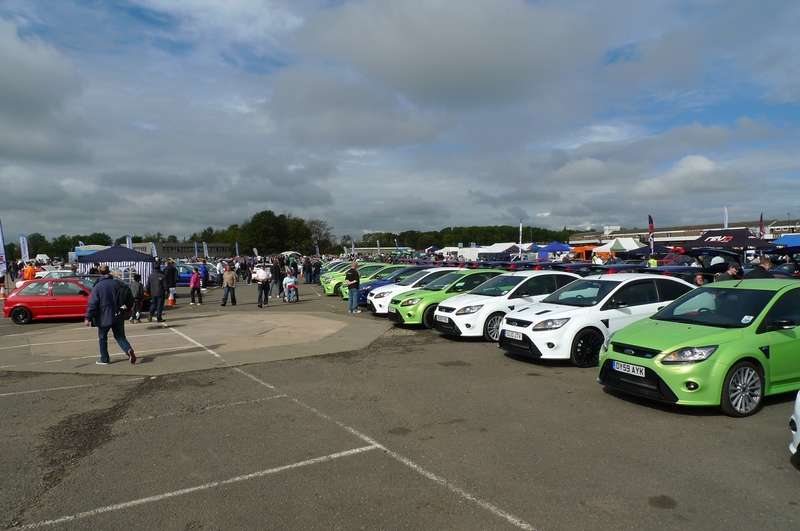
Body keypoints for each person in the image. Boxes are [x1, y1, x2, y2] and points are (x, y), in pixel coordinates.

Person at [85, 265, 136, 365]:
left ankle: (104, 358)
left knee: (103, 338)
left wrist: (88, 317)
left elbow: (93, 303)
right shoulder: (117, 283)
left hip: (104, 316)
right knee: (120, 336)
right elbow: (128, 296)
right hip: (118, 314)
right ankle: (129, 350)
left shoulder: (98, 286)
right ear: (109, 272)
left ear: (99, 273)